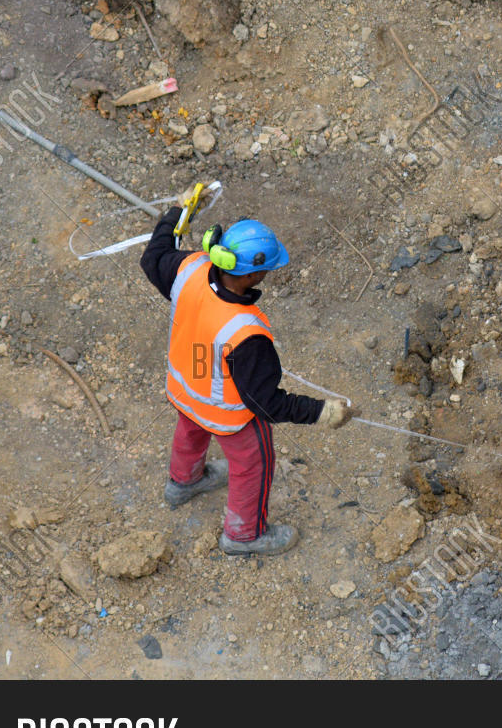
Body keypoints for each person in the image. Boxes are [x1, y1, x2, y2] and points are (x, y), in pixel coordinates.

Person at [139, 191, 353, 555]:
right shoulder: (246, 331)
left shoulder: (189, 268)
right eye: (268, 268)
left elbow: (153, 258)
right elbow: (266, 403)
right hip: (229, 415)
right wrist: (320, 412)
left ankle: (183, 483)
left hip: (185, 386)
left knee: (190, 428)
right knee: (253, 463)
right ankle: (243, 536)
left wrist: (176, 213)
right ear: (253, 274)